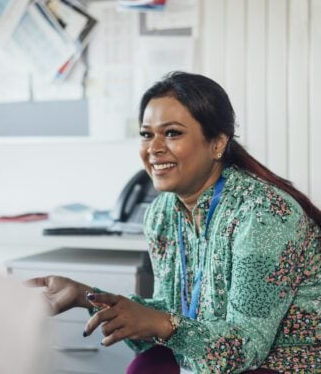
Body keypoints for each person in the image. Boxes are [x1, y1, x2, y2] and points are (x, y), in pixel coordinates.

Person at [27, 72, 320, 373]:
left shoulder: (263, 215)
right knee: (144, 367)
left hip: (282, 364)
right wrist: (86, 295)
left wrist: (162, 323)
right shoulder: (162, 213)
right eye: (146, 134)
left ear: (217, 143)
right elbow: (171, 315)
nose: (153, 148)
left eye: (172, 133)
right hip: (210, 356)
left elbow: (246, 348)